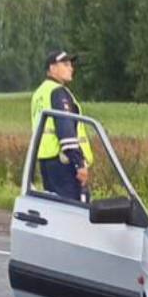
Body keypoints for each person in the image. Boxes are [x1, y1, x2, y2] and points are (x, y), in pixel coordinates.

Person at [30, 50, 94, 201]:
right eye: (65, 64)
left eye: (71, 64)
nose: (71, 68)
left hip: (46, 162)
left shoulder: (39, 94)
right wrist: (79, 164)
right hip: (64, 162)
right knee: (75, 211)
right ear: (52, 68)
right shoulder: (58, 92)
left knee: (55, 208)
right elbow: (66, 131)